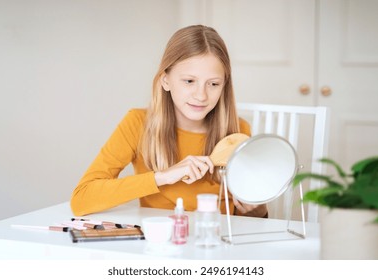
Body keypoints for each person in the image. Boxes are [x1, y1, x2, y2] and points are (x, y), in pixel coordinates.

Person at [70, 25, 268, 218]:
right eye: (189, 81)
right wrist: (162, 177)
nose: (201, 95)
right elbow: (82, 199)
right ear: (166, 80)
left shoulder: (237, 132)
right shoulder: (138, 123)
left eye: (213, 84)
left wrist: (258, 210)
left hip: (215, 242)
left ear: (224, 85)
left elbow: (248, 220)